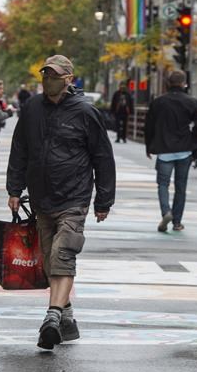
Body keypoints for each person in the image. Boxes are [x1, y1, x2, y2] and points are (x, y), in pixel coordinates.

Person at [7, 54, 116, 350]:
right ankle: (66, 317)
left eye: (54, 75)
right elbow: (19, 149)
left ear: (69, 79)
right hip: (41, 198)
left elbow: (103, 157)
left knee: (63, 254)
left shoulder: (85, 112)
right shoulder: (32, 109)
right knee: (49, 261)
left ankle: (52, 317)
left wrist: (104, 200)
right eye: (45, 74)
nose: (48, 80)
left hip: (74, 197)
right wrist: (14, 189)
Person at [144, 70, 197, 233]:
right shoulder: (192, 102)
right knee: (180, 187)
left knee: (163, 184)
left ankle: (166, 212)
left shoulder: (158, 102)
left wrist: (148, 146)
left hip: (164, 149)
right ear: (184, 83)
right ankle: (177, 222)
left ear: (168, 83)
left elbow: (149, 126)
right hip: (185, 149)